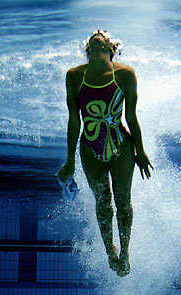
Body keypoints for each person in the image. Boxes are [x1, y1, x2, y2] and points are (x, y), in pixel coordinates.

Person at [57, 30, 153, 277]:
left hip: (122, 149)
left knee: (123, 201)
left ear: (112, 48)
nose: (98, 34)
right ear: (88, 50)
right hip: (90, 151)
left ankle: (125, 251)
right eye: (94, 36)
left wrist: (140, 151)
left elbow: (131, 117)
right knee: (103, 203)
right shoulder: (74, 76)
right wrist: (69, 161)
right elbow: (74, 122)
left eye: (103, 36)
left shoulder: (125, 75)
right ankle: (110, 252)